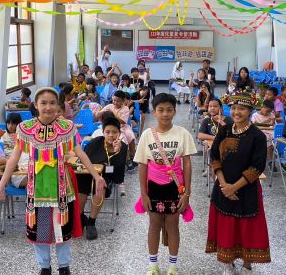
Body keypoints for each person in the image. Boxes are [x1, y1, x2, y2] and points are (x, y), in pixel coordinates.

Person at [0, 87, 106, 275]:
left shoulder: (67, 127)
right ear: (36, 105)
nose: (48, 107)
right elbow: (14, 157)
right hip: (37, 187)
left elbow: (80, 153)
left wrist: (96, 175)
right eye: (43, 103)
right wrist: (1, 183)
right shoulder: (25, 128)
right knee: (39, 229)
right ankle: (44, 267)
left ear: (59, 105)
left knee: (63, 228)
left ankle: (64, 267)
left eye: (52, 103)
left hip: (62, 186)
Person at [206, 91, 271, 275]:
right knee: (227, 227)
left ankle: (247, 265)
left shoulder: (257, 136)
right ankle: (228, 263)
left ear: (250, 110)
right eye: (233, 108)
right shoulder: (224, 130)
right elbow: (215, 155)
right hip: (223, 187)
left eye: (241, 108)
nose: (236, 112)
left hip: (246, 189)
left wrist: (233, 188)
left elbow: (257, 167)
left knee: (247, 228)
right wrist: (224, 184)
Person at [134, 93, 197, 275]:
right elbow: (142, 165)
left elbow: (187, 164)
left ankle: (172, 266)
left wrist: (187, 193)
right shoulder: (147, 135)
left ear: (175, 112)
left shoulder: (182, 134)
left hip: (175, 187)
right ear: (154, 112)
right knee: (154, 224)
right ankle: (153, 265)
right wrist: (143, 194)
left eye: (169, 110)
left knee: (172, 224)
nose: (165, 114)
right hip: (153, 186)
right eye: (160, 110)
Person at [77, 116, 128, 240]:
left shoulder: (123, 147)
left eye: (114, 132)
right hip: (89, 173)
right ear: (103, 132)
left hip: (107, 177)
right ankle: (80, 217)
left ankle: (91, 222)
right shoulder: (95, 142)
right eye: (108, 132)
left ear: (119, 133)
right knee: (79, 186)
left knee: (100, 187)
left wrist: (117, 153)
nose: (111, 135)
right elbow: (84, 161)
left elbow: (118, 173)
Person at [96, 90, 136, 167]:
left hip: (122, 126)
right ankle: (125, 159)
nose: (115, 102)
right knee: (121, 138)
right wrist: (100, 112)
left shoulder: (126, 109)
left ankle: (132, 155)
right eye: (114, 100)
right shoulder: (109, 106)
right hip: (108, 126)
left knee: (130, 135)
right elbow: (97, 116)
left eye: (118, 101)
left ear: (123, 101)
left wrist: (112, 115)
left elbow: (123, 121)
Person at [0, 113, 29, 188]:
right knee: (30, 183)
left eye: (13, 124)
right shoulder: (3, 134)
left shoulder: (24, 135)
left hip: (25, 165)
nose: (10, 126)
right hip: (11, 168)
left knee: (30, 185)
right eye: (8, 123)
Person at [251, 100, 276, 167]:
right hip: (261, 132)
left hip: (270, 131)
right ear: (262, 107)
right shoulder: (255, 115)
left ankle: (273, 157)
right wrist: (264, 122)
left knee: (275, 138)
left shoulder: (271, 115)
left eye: (270, 111)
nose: (268, 113)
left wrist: (273, 122)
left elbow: (273, 125)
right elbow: (253, 126)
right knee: (267, 139)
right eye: (267, 111)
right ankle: (270, 160)